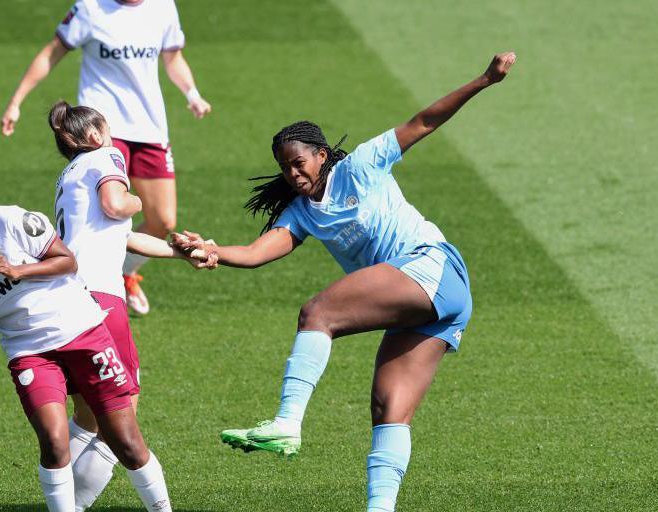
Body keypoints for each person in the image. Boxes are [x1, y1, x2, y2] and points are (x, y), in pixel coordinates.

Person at [173, 53, 516, 512]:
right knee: (388, 410)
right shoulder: (300, 214)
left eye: (300, 162)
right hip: (425, 303)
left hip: (431, 268)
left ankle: (287, 421)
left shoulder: (363, 165)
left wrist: (484, 80)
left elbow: (424, 122)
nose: (294, 174)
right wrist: (214, 251)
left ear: (321, 155)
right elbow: (257, 254)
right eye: (286, 167)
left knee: (319, 313)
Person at [0, 181, 176, 512]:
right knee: (54, 444)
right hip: (29, 353)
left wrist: (18, 270)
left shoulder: (11, 221)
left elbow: (67, 261)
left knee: (126, 443)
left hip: (82, 332)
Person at [0, 0, 213, 315]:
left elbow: (173, 59)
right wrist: (16, 101)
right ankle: (84, 286)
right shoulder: (90, 7)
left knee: (163, 219)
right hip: (100, 132)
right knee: (98, 215)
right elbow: (52, 52)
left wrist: (192, 93)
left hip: (149, 126)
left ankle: (124, 274)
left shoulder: (163, 7)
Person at [48, 100, 216, 511]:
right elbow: (116, 206)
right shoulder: (105, 155)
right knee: (120, 415)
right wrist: (139, 200)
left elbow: (121, 236)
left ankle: (64, 503)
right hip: (99, 300)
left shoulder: (68, 176)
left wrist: (180, 254)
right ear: (94, 136)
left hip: (65, 298)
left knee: (89, 414)